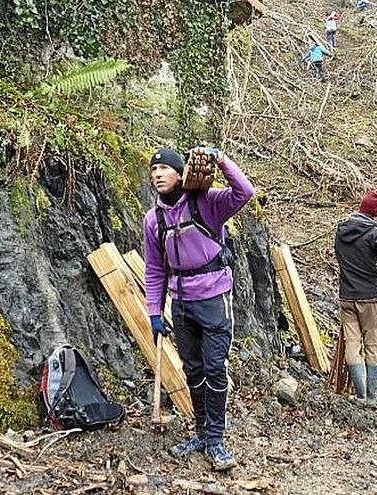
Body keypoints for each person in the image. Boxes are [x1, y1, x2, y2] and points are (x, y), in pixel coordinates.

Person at [143, 146, 255, 471]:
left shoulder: (207, 203)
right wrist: (154, 311)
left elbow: (245, 191)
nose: (158, 174)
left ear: (181, 173)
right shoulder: (154, 219)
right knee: (192, 371)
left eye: (165, 168)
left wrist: (220, 159)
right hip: (180, 303)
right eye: (154, 170)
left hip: (214, 298)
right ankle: (201, 435)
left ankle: (216, 440)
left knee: (214, 367)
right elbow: (154, 269)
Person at [334, 189, 377, 410]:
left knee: (352, 343)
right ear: (374, 214)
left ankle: (359, 395)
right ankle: (371, 397)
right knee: (372, 344)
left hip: (346, 295)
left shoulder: (341, 230)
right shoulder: (373, 234)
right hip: (369, 296)